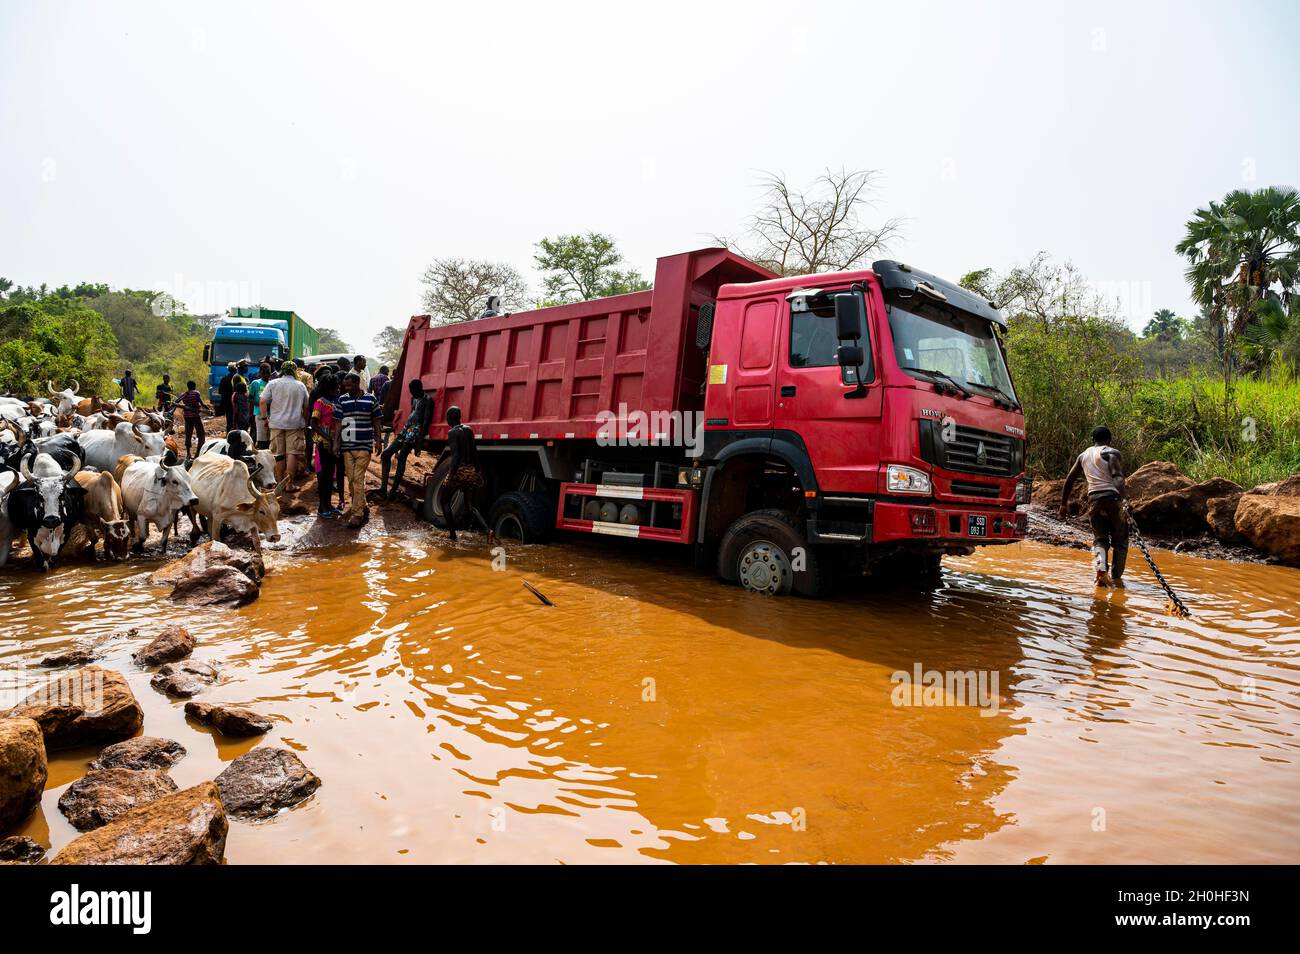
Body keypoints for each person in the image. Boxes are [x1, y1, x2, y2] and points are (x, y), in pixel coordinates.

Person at [1061, 425, 1129, 587]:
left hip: (1094, 501)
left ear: (1093, 440)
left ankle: (1101, 572)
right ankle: (1117, 579)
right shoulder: (1111, 452)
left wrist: (1063, 504)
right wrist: (1125, 499)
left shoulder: (1083, 456)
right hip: (1113, 500)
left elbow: (1069, 479)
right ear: (1109, 440)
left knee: (1100, 540)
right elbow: (1117, 476)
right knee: (1120, 541)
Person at [332, 371, 383, 528]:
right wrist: (336, 443)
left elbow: (376, 420)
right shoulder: (342, 400)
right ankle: (362, 505)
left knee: (357, 479)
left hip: (364, 445)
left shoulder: (371, 398)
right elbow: (338, 423)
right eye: (345, 385)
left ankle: (357, 514)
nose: (346, 388)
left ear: (357, 383)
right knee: (353, 480)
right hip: (347, 446)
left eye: (349, 385)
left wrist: (378, 440)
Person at [438, 405, 493, 543]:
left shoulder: (452, 433)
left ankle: (452, 536)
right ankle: (488, 530)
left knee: (444, 501)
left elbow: (456, 457)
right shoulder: (469, 430)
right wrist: (477, 470)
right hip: (471, 470)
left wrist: (451, 475)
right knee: (470, 506)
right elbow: (474, 451)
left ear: (450, 418)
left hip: (459, 470)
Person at [260, 359, 310, 492]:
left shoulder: (273, 383)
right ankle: (289, 484)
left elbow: (263, 401)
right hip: (295, 424)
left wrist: (265, 418)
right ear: (294, 371)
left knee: (279, 454)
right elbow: (306, 407)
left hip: (276, 423)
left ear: (282, 370)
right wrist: (305, 422)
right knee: (292, 454)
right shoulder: (300, 385)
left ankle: (279, 483)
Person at [380, 378, 434, 499]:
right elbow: (412, 413)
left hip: (415, 431)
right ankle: (383, 488)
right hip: (407, 429)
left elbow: (426, 422)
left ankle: (393, 491)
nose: (411, 393)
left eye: (413, 390)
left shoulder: (428, 400)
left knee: (402, 458)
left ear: (419, 388)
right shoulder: (413, 398)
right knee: (386, 454)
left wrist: (419, 442)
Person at [310, 374, 344, 518]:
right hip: (324, 443)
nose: (338, 389)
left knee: (330, 476)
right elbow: (313, 424)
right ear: (329, 388)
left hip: (332, 442)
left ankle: (328, 504)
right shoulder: (320, 402)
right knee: (324, 476)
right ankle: (322, 507)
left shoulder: (333, 401)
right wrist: (328, 437)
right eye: (335, 387)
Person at [177, 380, 211, 459]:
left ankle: (188, 454)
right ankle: (197, 453)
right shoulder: (196, 393)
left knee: (188, 435)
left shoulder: (184, 394)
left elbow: (178, 401)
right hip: (195, 416)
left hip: (187, 417)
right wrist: (209, 410)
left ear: (188, 386)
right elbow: (202, 403)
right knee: (201, 435)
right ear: (194, 386)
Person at [249, 363, 272, 449]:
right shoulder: (255, 383)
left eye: (268, 372)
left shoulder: (271, 384)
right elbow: (250, 398)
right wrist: (260, 404)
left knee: (270, 439)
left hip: (271, 414)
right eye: (265, 372)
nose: (267, 375)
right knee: (262, 439)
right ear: (261, 373)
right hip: (259, 414)